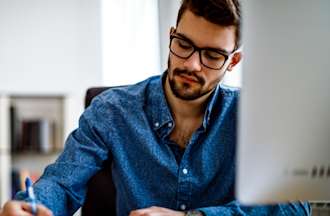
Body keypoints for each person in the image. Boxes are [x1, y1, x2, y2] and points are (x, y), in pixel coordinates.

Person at [0, 0, 311, 215]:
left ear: (233, 61)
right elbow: (62, 183)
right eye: (184, 44)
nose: (191, 64)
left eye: (213, 55)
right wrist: (32, 205)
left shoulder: (254, 116)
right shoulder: (110, 111)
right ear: (171, 36)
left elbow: (295, 205)